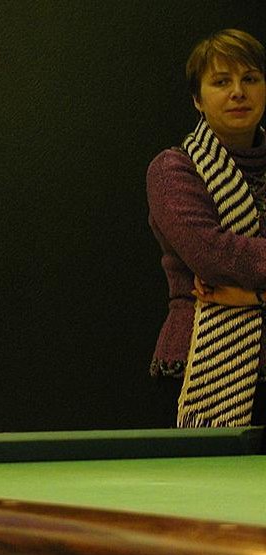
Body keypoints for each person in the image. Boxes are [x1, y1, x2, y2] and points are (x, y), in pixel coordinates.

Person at [147, 28, 266, 427]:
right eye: (221, 81)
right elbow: (214, 256)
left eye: (250, 78)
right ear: (197, 99)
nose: (238, 92)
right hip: (200, 365)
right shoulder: (173, 170)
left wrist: (254, 297)